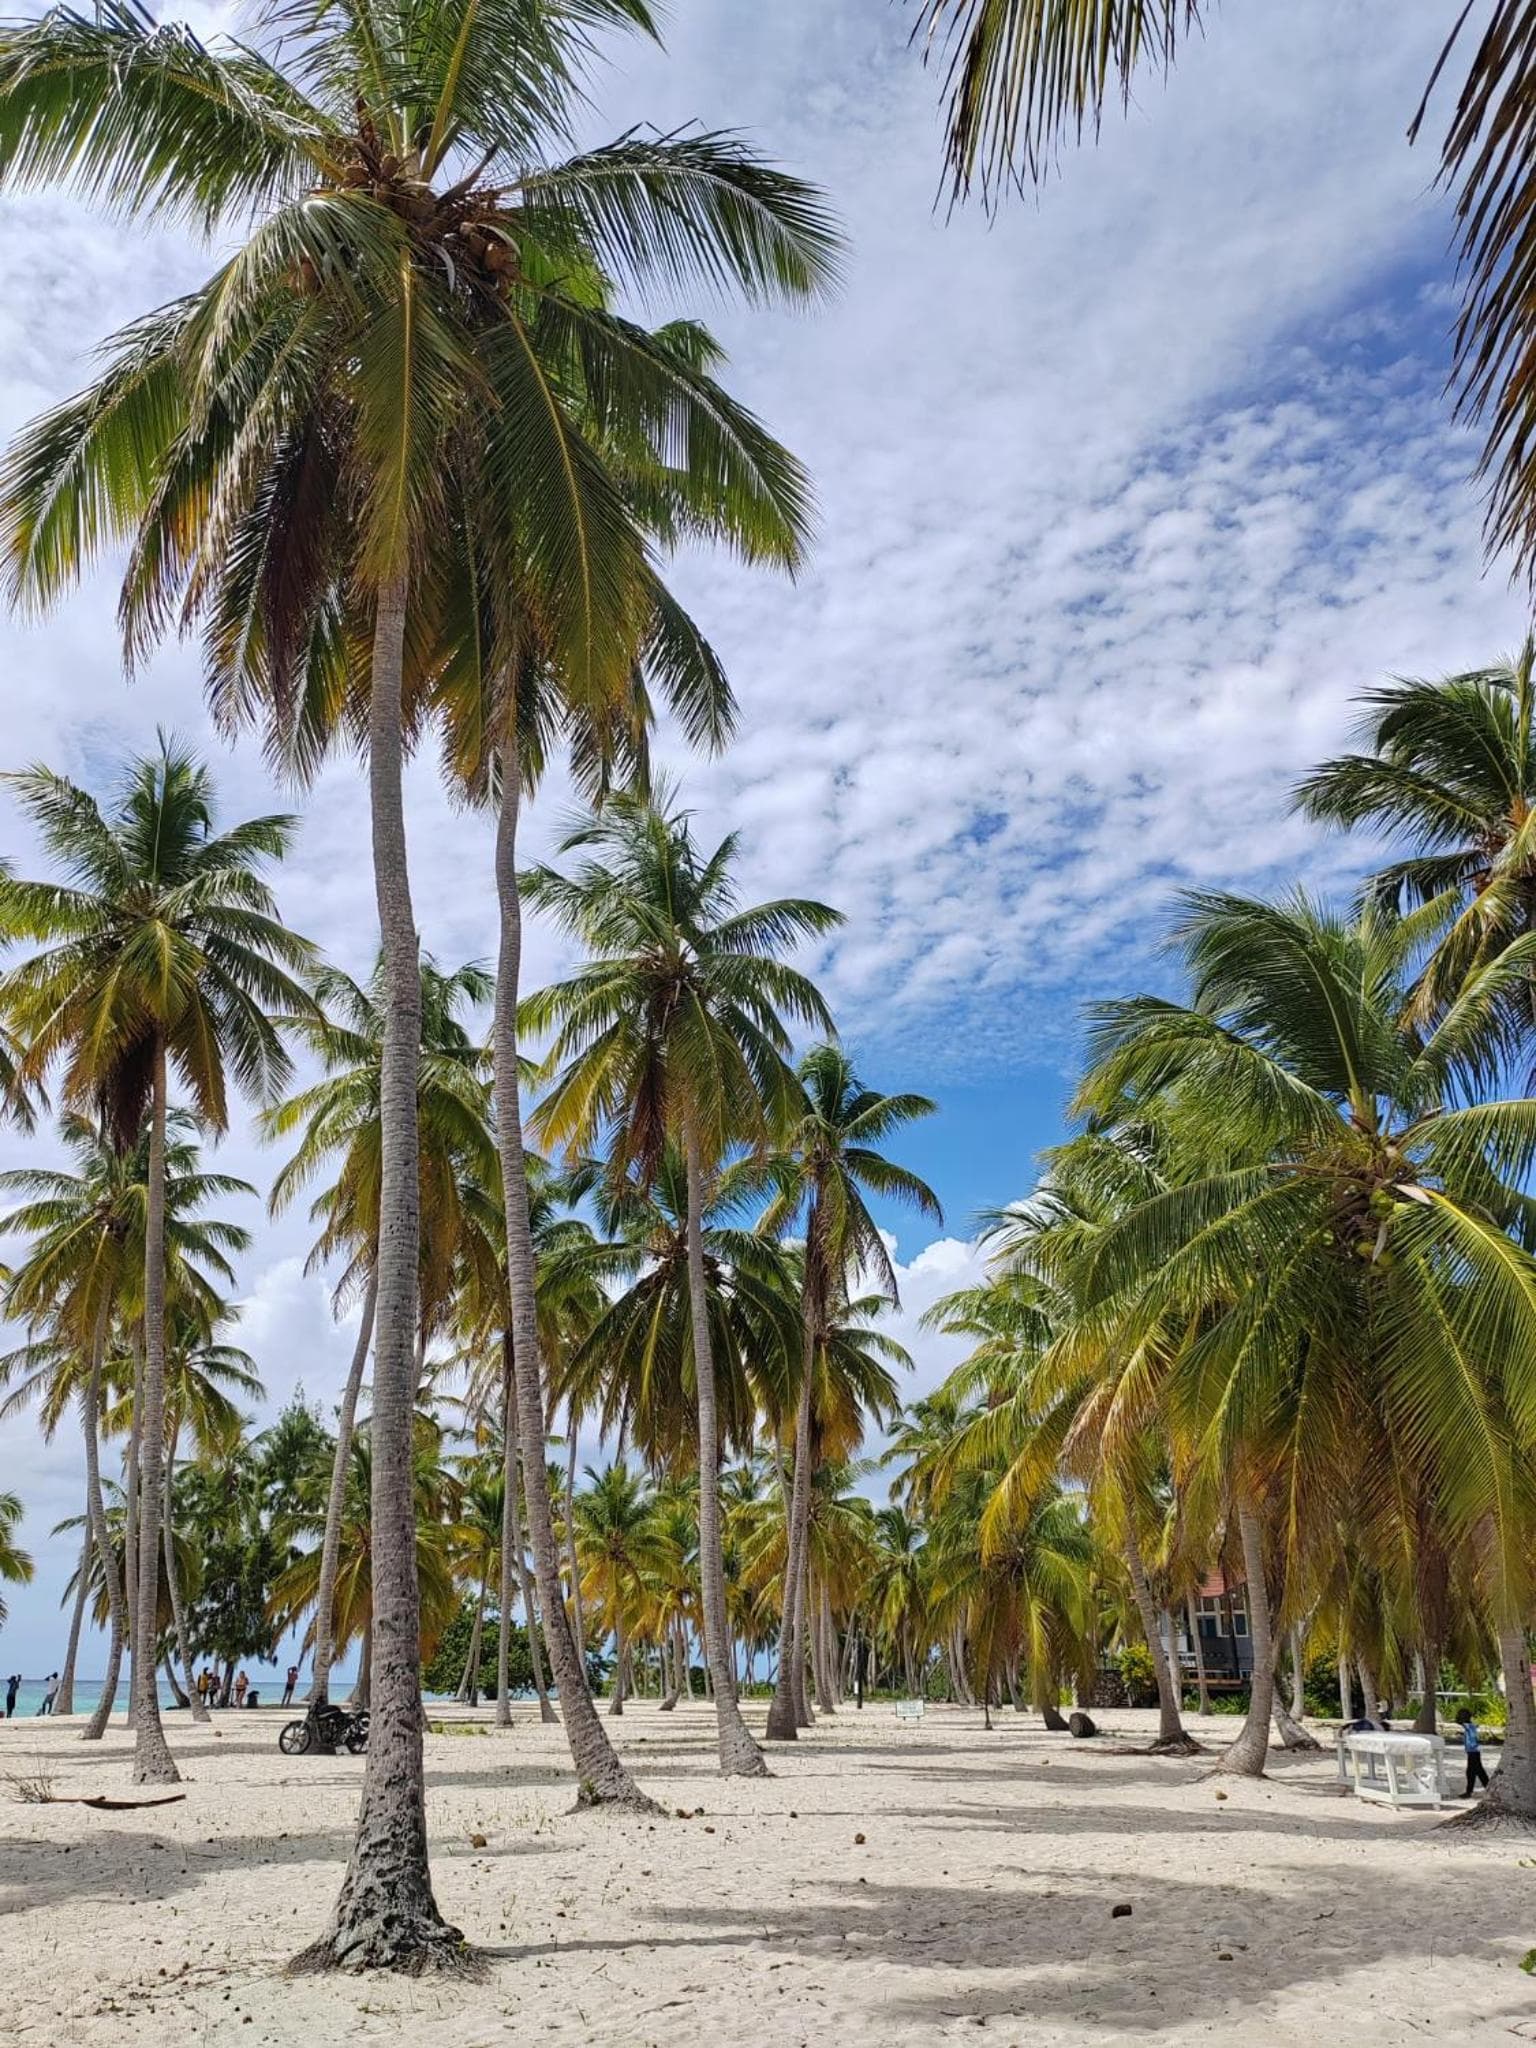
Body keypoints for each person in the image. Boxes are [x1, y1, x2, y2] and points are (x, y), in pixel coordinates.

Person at [1457, 1708, 1490, 1798]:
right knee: (1477, 1771)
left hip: (1473, 1752)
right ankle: (1487, 1788)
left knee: (1473, 1772)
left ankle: (1470, 1791)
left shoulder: (1468, 1726)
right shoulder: (1470, 1726)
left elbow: (1462, 1725)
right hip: (1473, 1752)